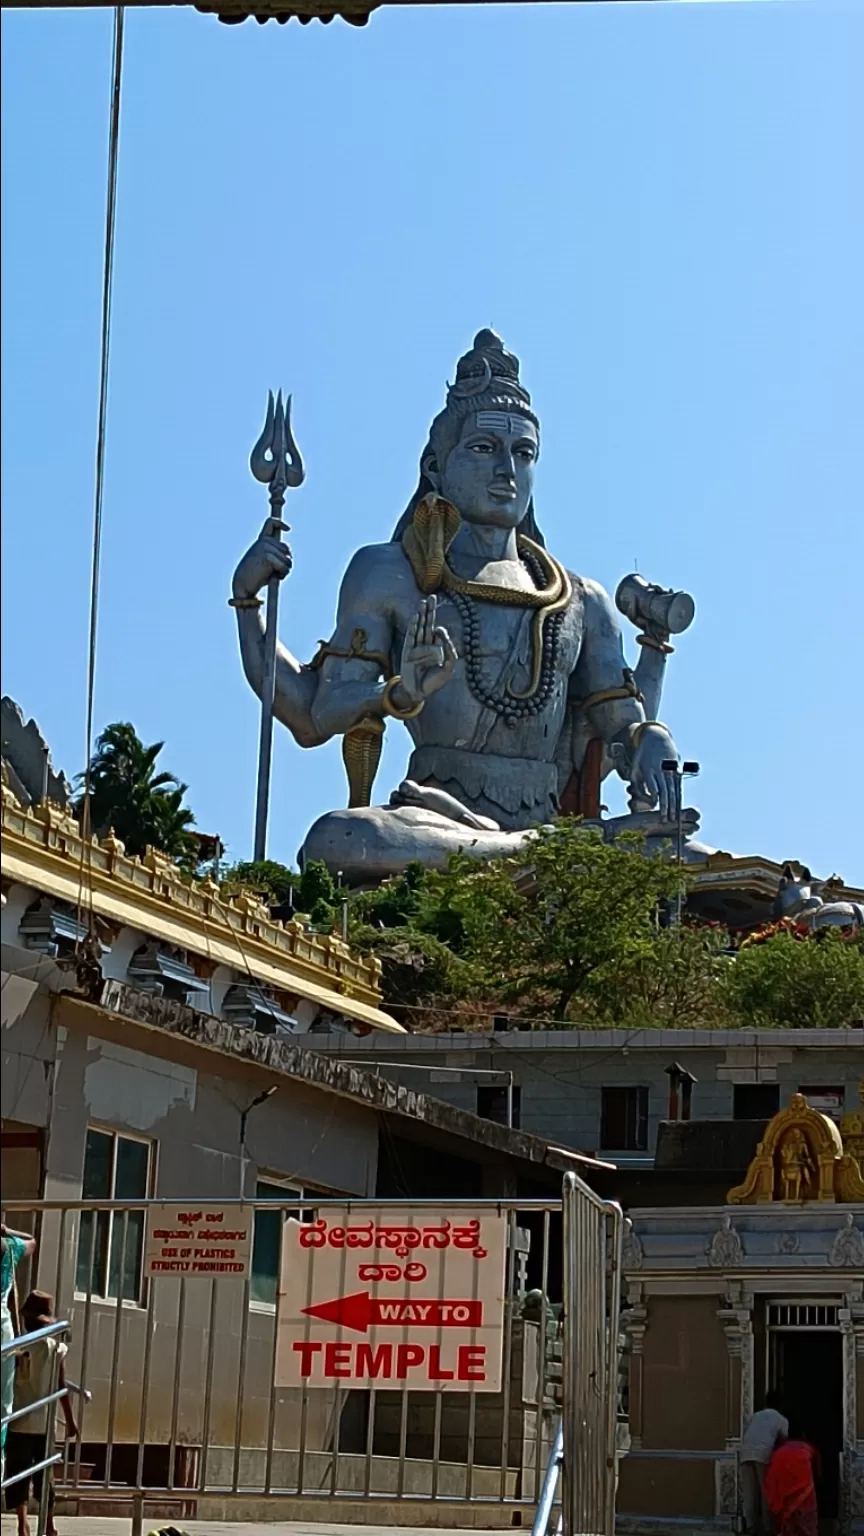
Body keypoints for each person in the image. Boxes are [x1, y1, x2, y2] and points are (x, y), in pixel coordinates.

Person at [4, 1291, 78, 1536]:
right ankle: (48, 1523)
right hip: (45, 1424)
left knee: (18, 1473)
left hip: (20, 1420)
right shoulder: (56, 1348)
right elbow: (61, 1386)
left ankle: (23, 1523)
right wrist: (69, 1420)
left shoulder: (17, 1347)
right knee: (44, 1476)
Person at [1, 1223, 37, 1483]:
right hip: (2, 1329)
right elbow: (32, 1241)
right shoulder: (8, 1247)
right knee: (3, 1401)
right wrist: (9, 1229)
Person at [739, 1391, 789, 1535]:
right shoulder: (781, 1419)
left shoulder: (755, 1416)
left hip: (745, 1452)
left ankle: (749, 1526)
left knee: (749, 1492)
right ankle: (767, 1527)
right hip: (763, 1454)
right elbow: (783, 1441)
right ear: (781, 1404)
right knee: (765, 1491)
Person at [764, 1428, 821, 1536]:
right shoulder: (808, 1446)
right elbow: (817, 1468)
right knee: (804, 1504)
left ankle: (783, 1531)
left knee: (784, 1501)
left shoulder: (781, 1447)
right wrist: (816, 1482)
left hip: (780, 1468)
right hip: (802, 1472)